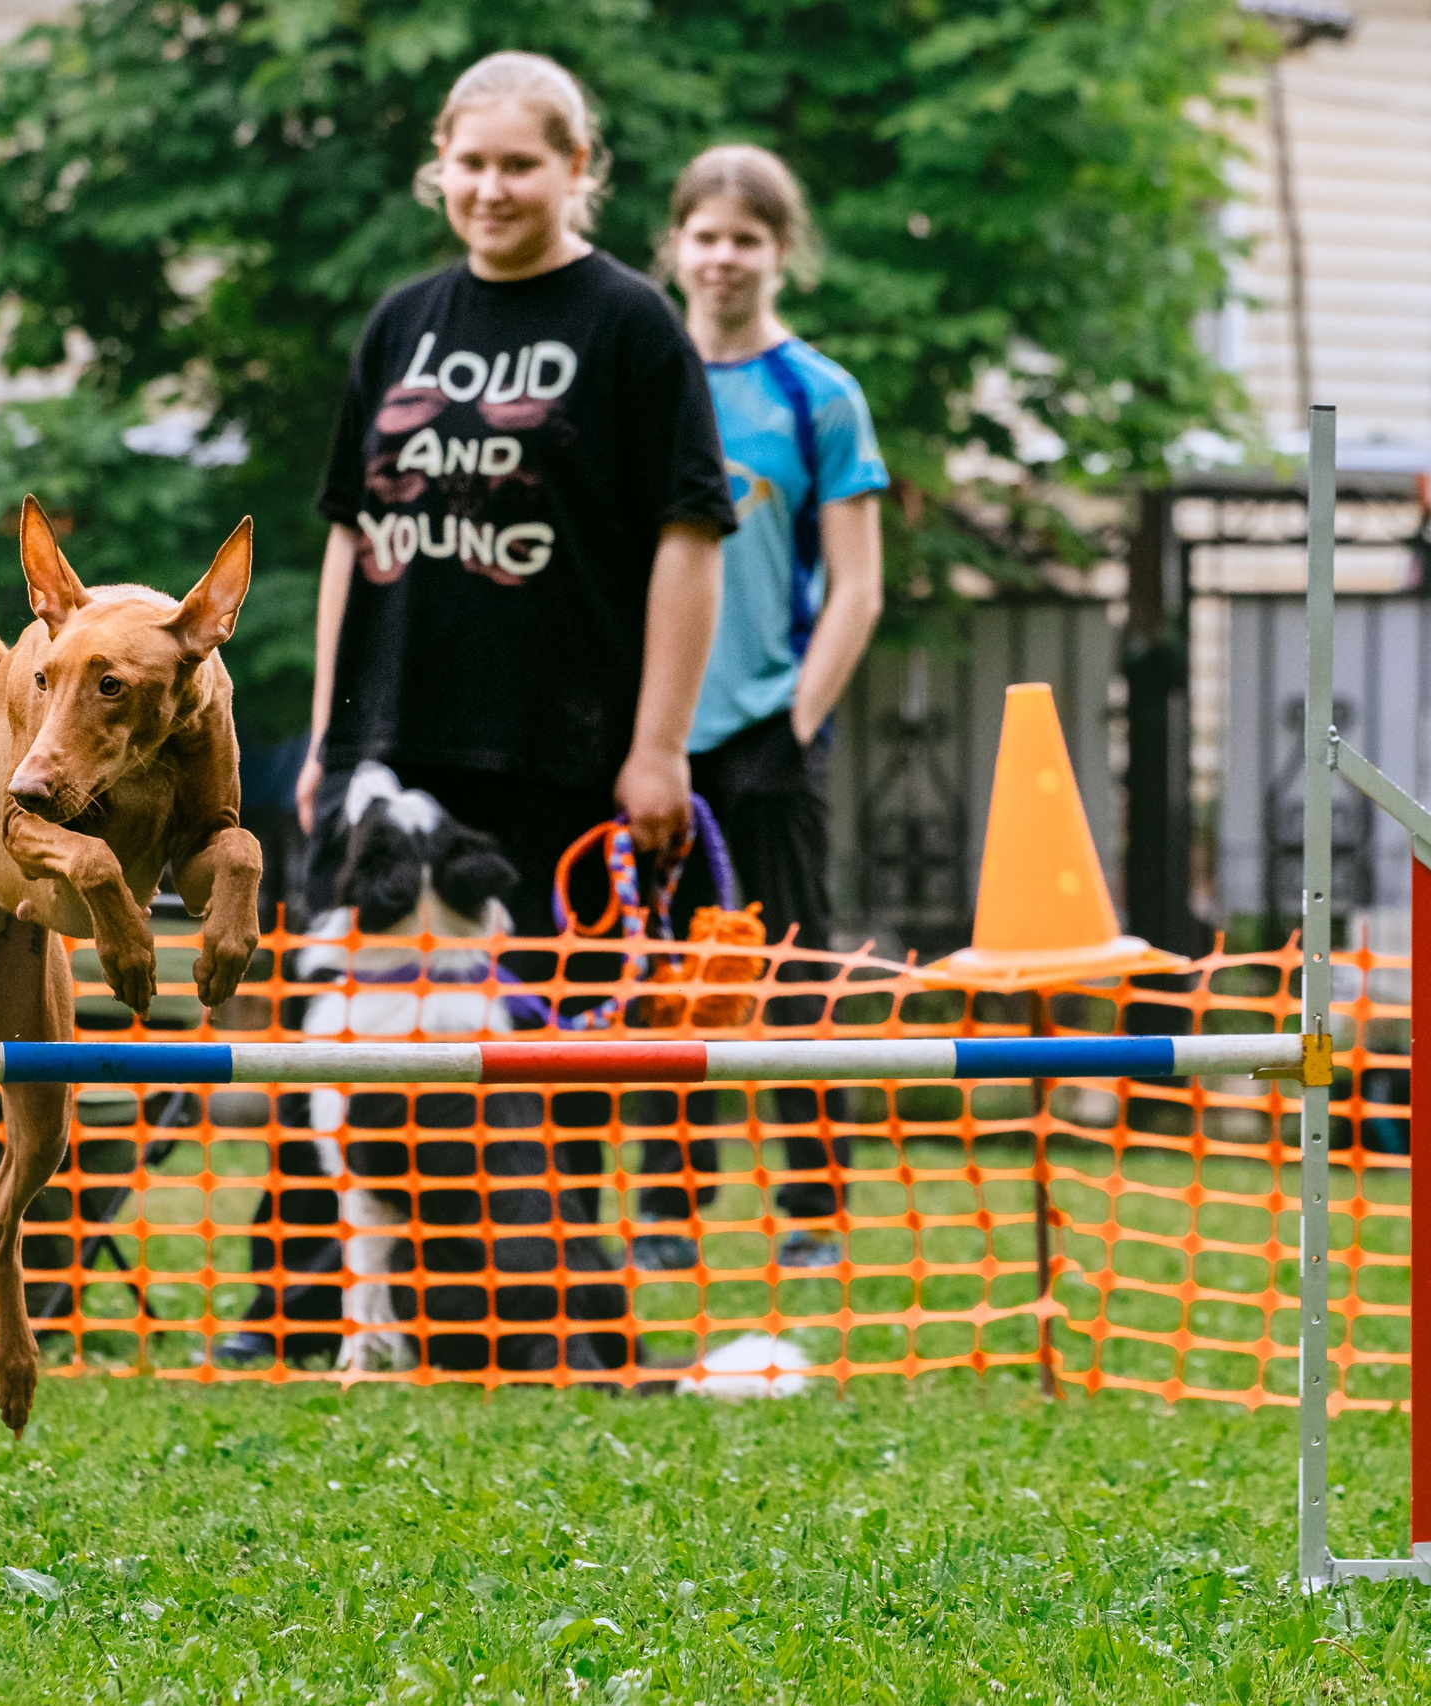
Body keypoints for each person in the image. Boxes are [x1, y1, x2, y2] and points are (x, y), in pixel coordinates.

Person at [260, 51, 736, 1374]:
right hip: (385, 759)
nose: (490, 188)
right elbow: (352, 538)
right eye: (469, 163)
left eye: (521, 163)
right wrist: (329, 740)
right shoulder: (401, 319)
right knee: (338, 1056)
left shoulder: (632, 325)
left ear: (578, 170)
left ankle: (535, 1330)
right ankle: (310, 1319)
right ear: (438, 167)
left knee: (531, 1087)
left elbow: (690, 536)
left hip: (559, 757)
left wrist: (658, 744)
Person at [665, 144, 889, 1266]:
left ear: (778, 251)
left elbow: (858, 584)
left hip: (770, 729)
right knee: (661, 975)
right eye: (704, 235)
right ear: (674, 248)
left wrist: (795, 719)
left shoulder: (819, 395)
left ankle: (811, 1209)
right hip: (654, 738)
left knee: (797, 969)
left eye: (744, 238)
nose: (722, 257)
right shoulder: (646, 378)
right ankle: (667, 1210)